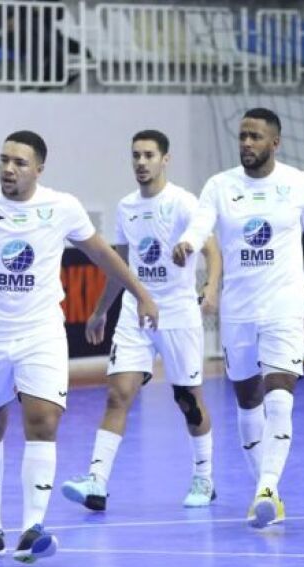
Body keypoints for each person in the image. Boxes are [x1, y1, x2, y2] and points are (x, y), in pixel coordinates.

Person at [0, 130, 158, 563]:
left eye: (19, 163)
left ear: (38, 169)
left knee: (43, 421)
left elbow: (104, 255)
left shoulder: (62, 206)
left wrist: (141, 294)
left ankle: (33, 527)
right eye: (4, 160)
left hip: (41, 333)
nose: (9, 169)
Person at [172, 107, 304, 529]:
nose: (246, 143)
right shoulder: (220, 185)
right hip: (239, 309)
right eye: (242, 135)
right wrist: (187, 243)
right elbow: (200, 225)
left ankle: (266, 488)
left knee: (280, 393)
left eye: (255, 137)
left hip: (285, 305)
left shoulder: (300, 184)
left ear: (274, 143)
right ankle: (267, 492)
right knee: (247, 400)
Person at [60, 130, 222, 512]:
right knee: (118, 394)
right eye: (135, 155)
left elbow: (213, 250)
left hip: (178, 313)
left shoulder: (183, 202)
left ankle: (204, 477)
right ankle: (96, 481)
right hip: (135, 315)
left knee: (187, 400)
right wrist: (101, 310)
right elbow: (120, 266)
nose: (141, 162)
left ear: (165, 159)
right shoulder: (126, 207)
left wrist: (212, 288)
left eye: (149, 155)